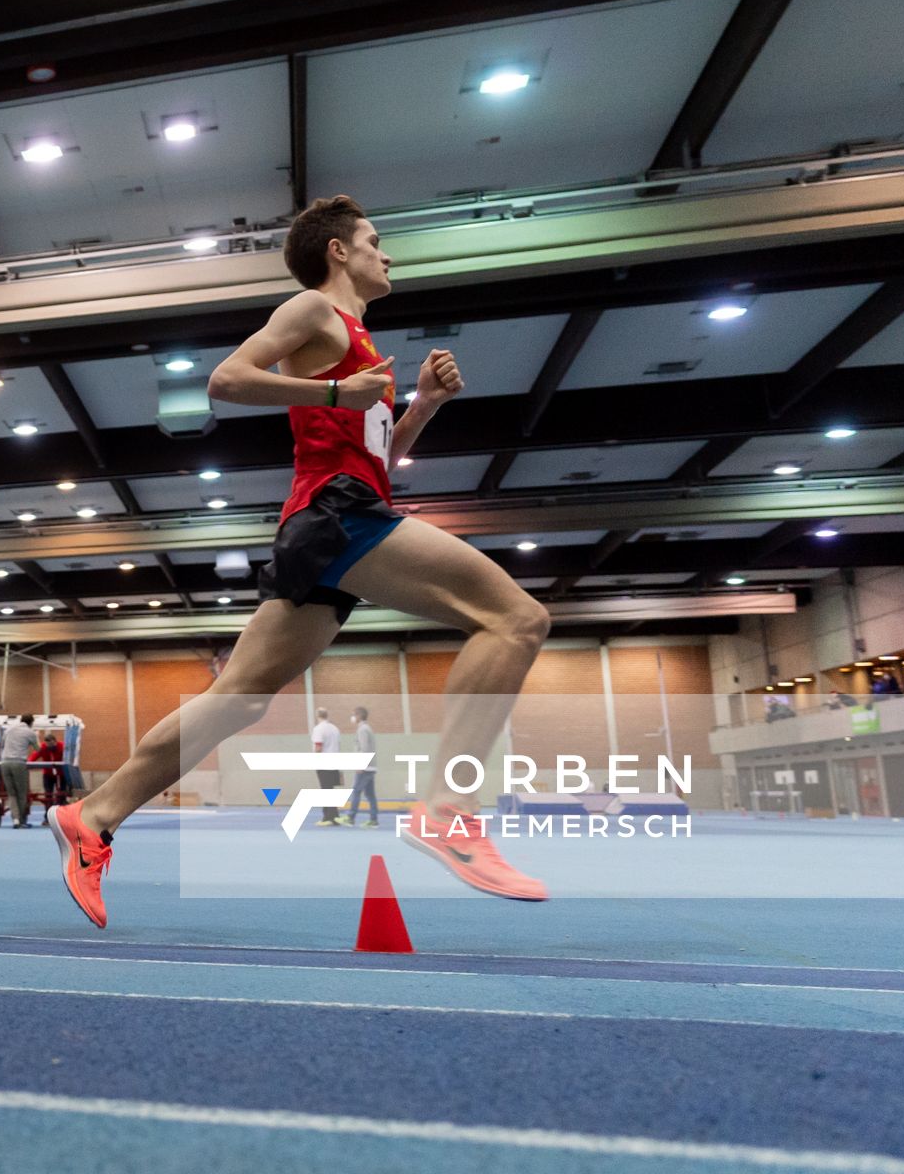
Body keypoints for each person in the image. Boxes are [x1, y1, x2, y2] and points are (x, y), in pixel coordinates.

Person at [45, 195, 553, 929]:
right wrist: (337, 388)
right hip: (336, 514)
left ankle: (93, 816)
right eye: (376, 241)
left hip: (339, 512)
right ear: (339, 252)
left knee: (243, 697)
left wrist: (424, 405)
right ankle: (447, 809)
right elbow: (226, 379)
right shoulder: (314, 311)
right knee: (515, 619)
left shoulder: (364, 344)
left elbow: (380, 459)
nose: (389, 254)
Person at [0, 714, 39, 828]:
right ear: (31, 723)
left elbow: (2, 745)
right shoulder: (30, 732)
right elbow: (38, 749)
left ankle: (15, 820)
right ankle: (22, 820)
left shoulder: (9, 729)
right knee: (21, 794)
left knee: (11, 794)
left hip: (5, 763)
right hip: (19, 763)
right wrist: (37, 737)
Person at [343, 705, 379, 827]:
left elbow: (364, 748)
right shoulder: (366, 728)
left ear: (359, 716)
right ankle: (373, 820)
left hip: (365, 767)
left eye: (354, 715)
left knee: (356, 791)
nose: (352, 717)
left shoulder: (363, 729)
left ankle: (350, 817)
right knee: (370, 795)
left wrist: (360, 765)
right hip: (370, 767)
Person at [311, 708, 343, 827]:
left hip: (323, 762)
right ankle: (333, 816)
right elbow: (338, 745)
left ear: (317, 716)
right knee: (330, 790)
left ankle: (328, 817)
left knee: (325, 790)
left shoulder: (318, 729)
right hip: (334, 761)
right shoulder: (335, 728)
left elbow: (318, 747)